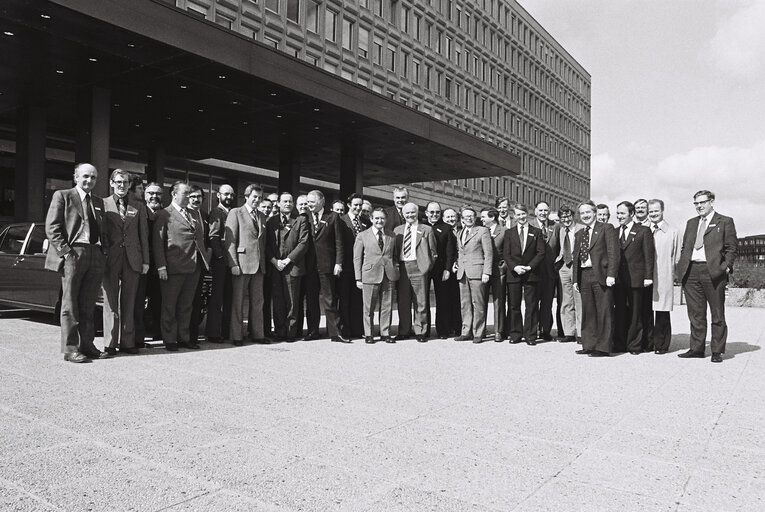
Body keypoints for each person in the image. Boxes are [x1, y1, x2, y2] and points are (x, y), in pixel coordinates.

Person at [45, 162, 111, 363]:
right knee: (70, 303)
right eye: (85, 176)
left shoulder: (98, 202)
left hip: (95, 253)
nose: (89, 180)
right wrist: (66, 253)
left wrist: (103, 252)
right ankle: (70, 348)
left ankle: (88, 345)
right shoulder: (63, 196)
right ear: (76, 177)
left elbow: (103, 229)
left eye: (93, 177)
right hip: (74, 251)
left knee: (89, 303)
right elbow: (52, 227)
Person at [676, 190, 737, 363]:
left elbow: (731, 248)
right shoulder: (691, 223)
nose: (699, 206)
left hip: (713, 272)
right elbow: (685, 247)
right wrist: (682, 267)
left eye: (702, 202)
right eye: (696, 203)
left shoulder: (725, 221)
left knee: (717, 313)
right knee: (696, 314)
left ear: (712, 202)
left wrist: (725, 268)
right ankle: (696, 348)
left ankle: (717, 351)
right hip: (691, 271)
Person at [153, 182, 211, 351]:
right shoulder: (164, 214)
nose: (189, 197)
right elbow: (158, 242)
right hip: (173, 267)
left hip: (193, 266)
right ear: (174, 194)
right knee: (170, 305)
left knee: (186, 305)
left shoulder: (192, 214)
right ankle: (170, 339)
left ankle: (183, 338)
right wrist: (161, 267)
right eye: (185, 194)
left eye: (190, 194)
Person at [101, 169, 150, 355]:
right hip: (110, 259)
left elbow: (143, 236)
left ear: (130, 185)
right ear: (112, 183)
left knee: (130, 301)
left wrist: (145, 261)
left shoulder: (138, 206)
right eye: (118, 182)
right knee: (111, 302)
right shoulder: (103, 204)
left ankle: (128, 342)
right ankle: (110, 343)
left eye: (125, 183)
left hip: (133, 259)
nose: (122, 186)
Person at [573, 201, 620, 357]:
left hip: (601, 275)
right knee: (588, 312)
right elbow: (576, 258)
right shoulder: (579, 233)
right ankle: (589, 344)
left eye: (588, 212)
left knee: (604, 311)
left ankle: (603, 347)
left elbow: (614, 253)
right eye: (582, 213)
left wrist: (611, 274)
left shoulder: (606, 228)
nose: (585, 215)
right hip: (584, 275)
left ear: (594, 213)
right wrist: (575, 279)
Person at [225, 184, 268, 346]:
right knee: (238, 301)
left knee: (258, 301)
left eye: (260, 198)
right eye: (254, 197)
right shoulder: (236, 213)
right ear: (247, 197)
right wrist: (233, 264)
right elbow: (230, 241)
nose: (257, 200)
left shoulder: (262, 216)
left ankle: (258, 334)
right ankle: (236, 336)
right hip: (241, 264)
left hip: (258, 265)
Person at [306, 189, 348, 343]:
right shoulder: (305, 217)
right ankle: (312, 331)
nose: (309, 204)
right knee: (311, 300)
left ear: (322, 201)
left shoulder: (333, 217)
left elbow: (338, 242)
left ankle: (335, 333)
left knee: (329, 300)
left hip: (327, 265)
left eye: (312, 202)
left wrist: (338, 263)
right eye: (308, 202)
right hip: (310, 266)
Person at [613, 201, 655, 355]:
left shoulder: (643, 231)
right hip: (619, 280)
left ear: (631, 214)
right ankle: (619, 344)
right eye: (617, 213)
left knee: (636, 313)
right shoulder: (614, 231)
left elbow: (649, 256)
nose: (619, 216)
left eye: (622, 213)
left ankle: (634, 345)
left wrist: (648, 276)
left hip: (637, 279)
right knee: (620, 312)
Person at [266, 192, 309, 341]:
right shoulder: (271, 221)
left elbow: (303, 243)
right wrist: (274, 261)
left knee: (292, 302)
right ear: (278, 203)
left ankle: (291, 332)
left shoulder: (300, 220)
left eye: (290, 201)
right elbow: (266, 244)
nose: (288, 204)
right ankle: (280, 332)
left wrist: (288, 260)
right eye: (285, 201)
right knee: (277, 301)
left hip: (292, 267)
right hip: (276, 267)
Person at [354, 208, 400, 343]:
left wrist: (395, 268)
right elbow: (357, 258)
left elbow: (395, 255)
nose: (380, 221)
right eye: (377, 218)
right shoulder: (362, 235)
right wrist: (358, 278)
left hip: (388, 274)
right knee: (368, 307)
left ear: (386, 220)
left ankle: (385, 333)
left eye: (382, 218)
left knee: (387, 306)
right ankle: (369, 334)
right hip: (369, 274)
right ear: (371, 219)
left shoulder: (391, 235)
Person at [395, 202, 437, 342]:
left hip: (419, 267)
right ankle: (404, 330)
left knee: (420, 301)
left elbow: (433, 252)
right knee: (403, 301)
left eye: (412, 212)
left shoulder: (426, 229)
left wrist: (426, 267)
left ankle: (420, 331)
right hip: (403, 267)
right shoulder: (397, 230)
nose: (410, 215)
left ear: (417, 212)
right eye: (407, 213)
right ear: (403, 214)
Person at [503, 204, 545, 344]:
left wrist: (529, 267)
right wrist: (515, 267)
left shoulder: (537, 232)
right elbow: (506, 254)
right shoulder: (509, 233)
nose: (521, 217)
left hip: (530, 273)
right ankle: (515, 334)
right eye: (518, 214)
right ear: (514, 216)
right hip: (514, 273)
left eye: (523, 214)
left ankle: (530, 335)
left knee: (531, 305)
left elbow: (540, 253)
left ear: (527, 214)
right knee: (514, 305)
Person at [647, 199, 681, 354]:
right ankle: (647, 342)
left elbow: (676, 257)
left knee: (662, 311)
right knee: (645, 311)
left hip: (663, 274)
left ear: (662, 211)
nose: (653, 214)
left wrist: (672, 275)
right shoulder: (643, 229)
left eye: (656, 211)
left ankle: (661, 344)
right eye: (651, 211)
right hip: (645, 276)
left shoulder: (673, 232)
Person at [455, 206, 492, 343]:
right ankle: (466, 331)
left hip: (477, 271)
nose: (468, 218)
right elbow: (461, 252)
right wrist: (457, 264)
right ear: (462, 218)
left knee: (478, 304)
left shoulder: (482, 231)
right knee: (465, 304)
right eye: (466, 216)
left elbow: (488, 253)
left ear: (475, 217)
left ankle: (478, 332)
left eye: (471, 216)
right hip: (463, 273)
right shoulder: (460, 233)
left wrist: (486, 272)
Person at [135, 182, 164, 345]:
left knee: (159, 300)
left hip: (160, 266)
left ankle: (158, 333)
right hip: (142, 264)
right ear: (145, 195)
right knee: (139, 301)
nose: (154, 196)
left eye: (158, 193)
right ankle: (139, 336)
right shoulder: (140, 212)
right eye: (150, 193)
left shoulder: (166, 214)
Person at [339, 193, 371, 338]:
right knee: (345, 298)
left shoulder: (365, 222)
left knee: (358, 299)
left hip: (362, 267)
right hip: (346, 266)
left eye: (360, 205)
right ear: (349, 205)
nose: (358, 207)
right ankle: (345, 329)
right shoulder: (341, 221)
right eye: (355, 205)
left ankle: (358, 329)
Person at [206, 184, 235, 343]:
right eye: (226, 194)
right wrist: (220, 259)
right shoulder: (217, 213)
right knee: (217, 298)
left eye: (231, 195)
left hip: (231, 263)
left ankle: (225, 331)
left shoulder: (232, 212)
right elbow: (213, 237)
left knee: (228, 298)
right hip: (221, 263)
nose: (229, 197)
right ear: (218, 195)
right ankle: (214, 332)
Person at [424, 201, 457, 339]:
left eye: (437, 212)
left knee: (442, 300)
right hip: (424, 268)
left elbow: (450, 251)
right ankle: (424, 331)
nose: (434, 215)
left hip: (441, 268)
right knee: (422, 300)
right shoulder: (421, 226)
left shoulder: (446, 228)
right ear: (426, 213)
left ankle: (443, 330)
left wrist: (447, 269)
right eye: (431, 212)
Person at [552, 205, 583, 343]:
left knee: (579, 301)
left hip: (578, 266)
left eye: (568, 216)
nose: (566, 219)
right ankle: (568, 332)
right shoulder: (561, 230)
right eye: (563, 217)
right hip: (564, 266)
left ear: (573, 216)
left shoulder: (581, 228)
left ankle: (581, 332)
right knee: (566, 301)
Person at [531, 201, 558, 341]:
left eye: (546, 210)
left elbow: (559, 247)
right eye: (540, 210)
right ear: (535, 211)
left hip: (550, 271)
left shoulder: (555, 226)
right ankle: (532, 330)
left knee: (547, 303)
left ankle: (545, 330)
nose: (543, 213)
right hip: (534, 271)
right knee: (533, 302)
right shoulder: (530, 225)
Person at [187, 185, 209, 344]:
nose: (196, 199)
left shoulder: (204, 215)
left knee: (196, 300)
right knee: (184, 302)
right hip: (184, 262)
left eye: (199, 196)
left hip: (200, 264)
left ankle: (193, 336)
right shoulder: (184, 213)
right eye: (192, 196)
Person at [481, 208, 507, 342]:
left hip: (498, 270)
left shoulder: (504, 231)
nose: (481, 219)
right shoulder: (480, 230)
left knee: (499, 300)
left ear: (492, 217)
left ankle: (499, 331)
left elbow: (508, 251)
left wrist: (504, 266)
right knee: (481, 300)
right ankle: (481, 329)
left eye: (484, 216)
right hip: (483, 270)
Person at [295, 194, 318, 338]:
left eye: (306, 204)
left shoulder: (312, 220)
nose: (304, 206)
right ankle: (296, 330)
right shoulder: (292, 219)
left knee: (311, 301)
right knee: (296, 300)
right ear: (296, 206)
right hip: (295, 266)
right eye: (301, 204)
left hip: (311, 268)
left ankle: (312, 330)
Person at [442, 207, 463, 335]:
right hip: (447, 268)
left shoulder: (463, 230)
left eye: (452, 216)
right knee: (446, 298)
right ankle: (448, 326)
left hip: (461, 267)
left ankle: (459, 326)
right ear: (444, 219)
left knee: (459, 299)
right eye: (448, 217)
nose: (450, 219)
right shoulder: (442, 230)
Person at [257, 196, 274, 336]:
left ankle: (267, 329)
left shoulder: (271, 221)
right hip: (259, 264)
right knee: (259, 300)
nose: (267, 209)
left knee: (267, 299)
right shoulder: (258, 220)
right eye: (264, 207)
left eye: (269, 207)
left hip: (270, 267)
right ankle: (257, 329)